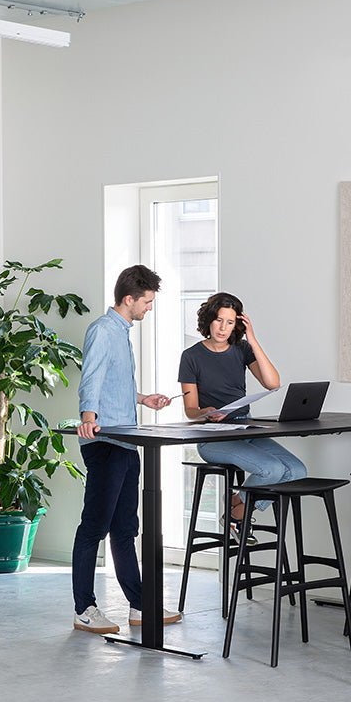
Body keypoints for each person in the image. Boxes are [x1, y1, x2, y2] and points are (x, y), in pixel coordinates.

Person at [72, 265, 183, 635]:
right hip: (105, 442)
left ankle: (140, 605)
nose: (149, 308)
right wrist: (88, 417)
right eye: (147, 302)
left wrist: (142, 398)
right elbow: (91, 378)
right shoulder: (103, 330)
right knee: (94, 527)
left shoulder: (121, 333)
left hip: (126, 440)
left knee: (125, 528)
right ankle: (84, 609)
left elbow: (112, 382)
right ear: (129, 298)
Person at [178, 292, 306, 541]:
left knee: (297, 471)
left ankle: (236, 510)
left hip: (244, 429)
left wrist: (253, 340)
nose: (222, 328)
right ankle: (238, 515)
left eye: (229, 322)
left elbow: (273, 383)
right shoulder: (191, 356)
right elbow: (190, 410)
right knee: (271, 469)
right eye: (218, 320)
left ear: (237, 324)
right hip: (211, 437)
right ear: (209, 320)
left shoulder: (242, 349)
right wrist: (206, 412)